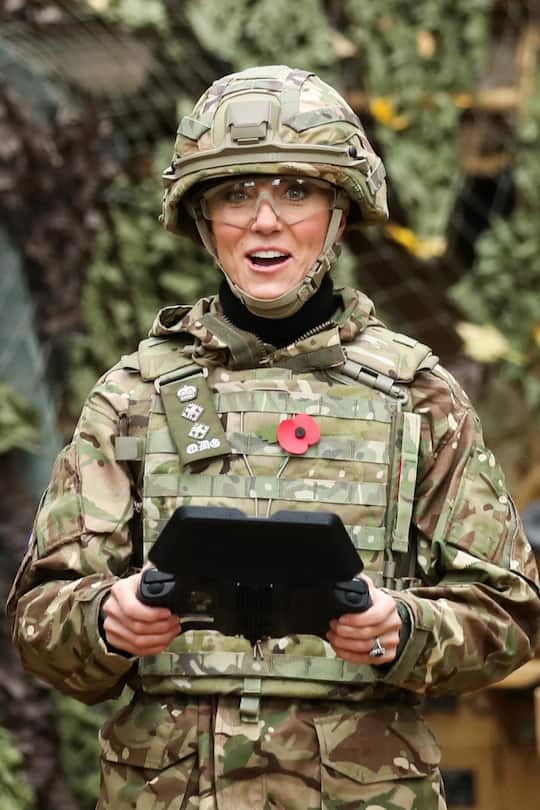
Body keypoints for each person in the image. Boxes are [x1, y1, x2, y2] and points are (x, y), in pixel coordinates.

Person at [7, 65, 540, 810]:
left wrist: (403, 627)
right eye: (235, 193)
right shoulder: (134, 396)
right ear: (202, 218)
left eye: (296, 192)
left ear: (342, 213)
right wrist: (108, 618)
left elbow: (510, 613)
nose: (265, 221)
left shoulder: (418, 398)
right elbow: (40, 622)